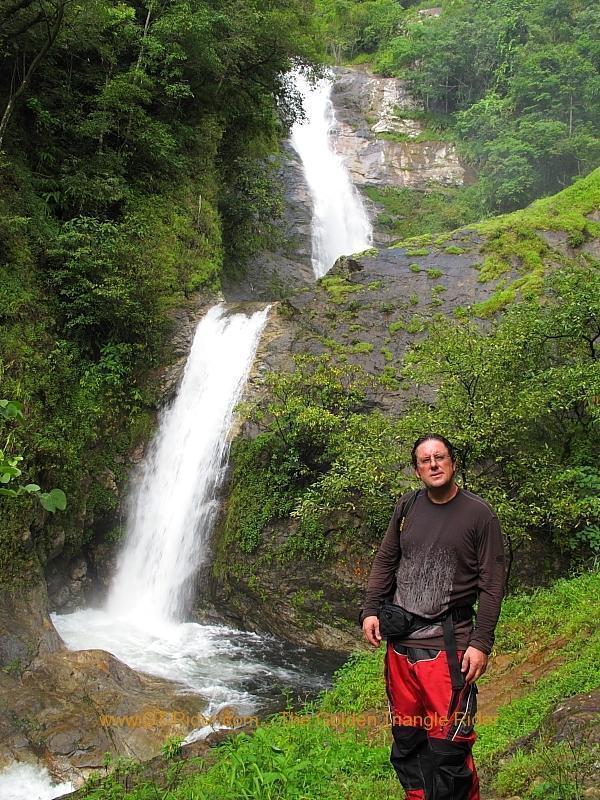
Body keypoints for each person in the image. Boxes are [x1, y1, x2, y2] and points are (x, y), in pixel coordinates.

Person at [360, 434, 505, 800]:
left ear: (452, 463)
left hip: (447, 649)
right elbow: (386, 560)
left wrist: (481, 642)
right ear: (417, 470)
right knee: (408, 740)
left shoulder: (479, 515)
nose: (433, 464)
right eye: (425, 460)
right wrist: (371, 609)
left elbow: (492, 584)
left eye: (439, 457)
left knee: (449, 745)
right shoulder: (407, 507)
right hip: (401, 647)